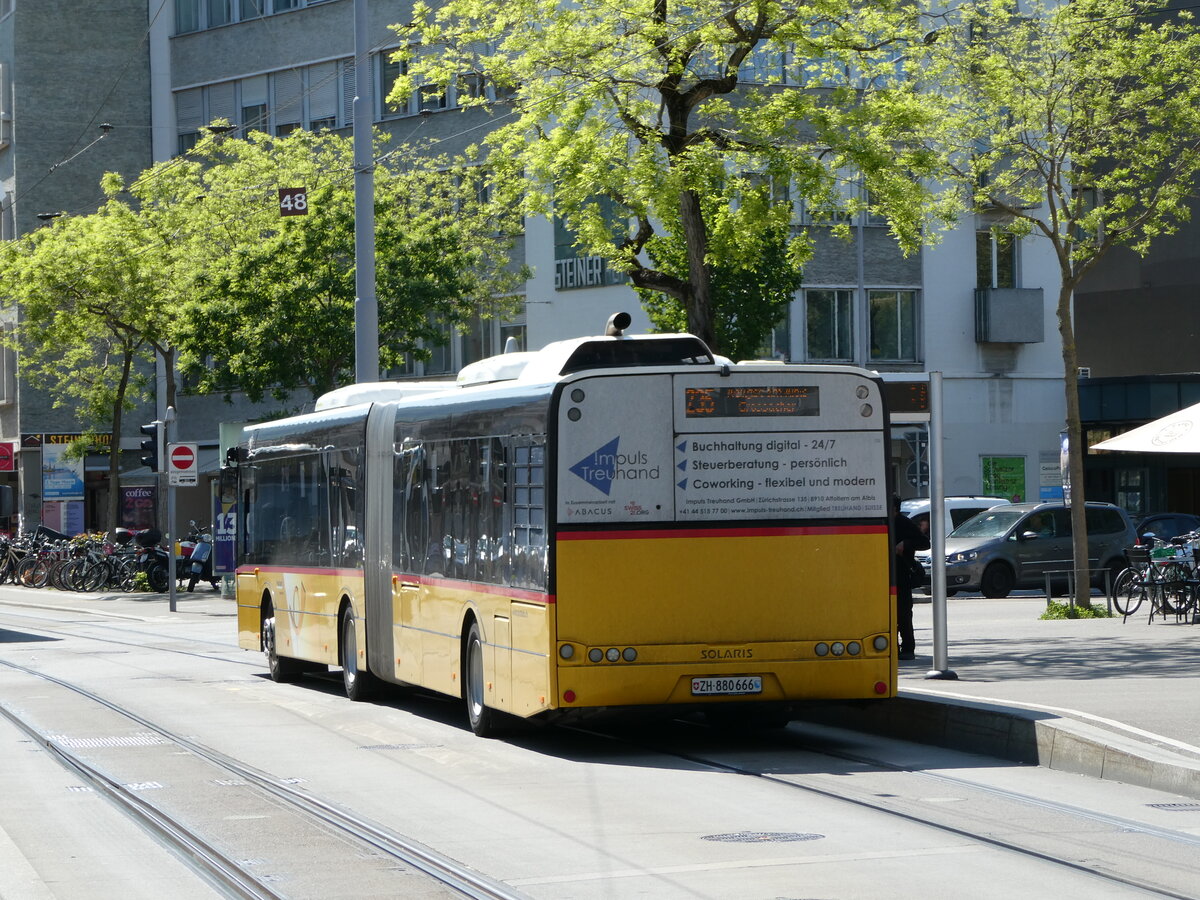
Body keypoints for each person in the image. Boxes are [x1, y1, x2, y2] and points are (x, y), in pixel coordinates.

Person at [893, 495, 930, 660]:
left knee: (903, 614)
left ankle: (907, 648)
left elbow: (924, 543)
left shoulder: (903, 523)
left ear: (894, 509)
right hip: (881, 576)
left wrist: (905, 544)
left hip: (901, 576)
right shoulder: (882, 521)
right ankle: (891, 647)